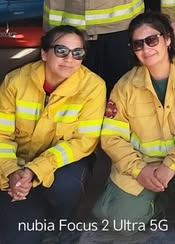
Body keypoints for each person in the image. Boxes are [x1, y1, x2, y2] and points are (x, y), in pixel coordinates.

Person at [94, 11, 175, 242]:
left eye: (152, 40)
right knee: (120, 222)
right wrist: (138, 170)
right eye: (138, 44)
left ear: (167, 39)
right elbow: (112, 138)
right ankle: (158, 201)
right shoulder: (124, 86)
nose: (146, 48)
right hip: (144, 165)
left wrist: (171, 164)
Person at [0, 25, 106, 244]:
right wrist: (12, 172)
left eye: (77, 53)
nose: (69, 59)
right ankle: (37, 209)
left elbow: (84, 142)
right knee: (19, 238)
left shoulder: (93, 86)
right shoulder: (15, 81)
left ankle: (65, 222)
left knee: (65, 186)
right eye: (61, 51)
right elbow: (2, 135)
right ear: (44, 53)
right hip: (17, 168)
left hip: (62, 166)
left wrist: (35, 169)